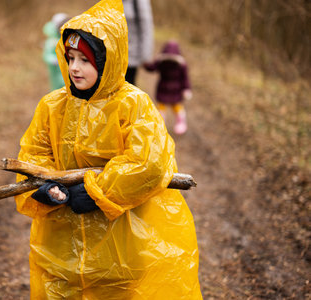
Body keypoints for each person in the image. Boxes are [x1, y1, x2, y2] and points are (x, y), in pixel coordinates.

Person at [15, 0, 202, 298]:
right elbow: (33, 154)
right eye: (70, 57)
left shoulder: (133, 104)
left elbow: (149, 163)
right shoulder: (52, 105)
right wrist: (42, 188)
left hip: (123, 245)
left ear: (107, 61)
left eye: (85, 60)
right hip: (61, 246)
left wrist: (97, 191)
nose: (74, 67)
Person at [144, 40, 192, 135]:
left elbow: (185, 78)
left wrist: (186, 89)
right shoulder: (161, 62)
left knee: (177, 108)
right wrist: (145, 63)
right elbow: (152, 68)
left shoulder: (181, 65)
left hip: (174, 91)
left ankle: (180, 123)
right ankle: (160, 125)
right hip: (164, 89)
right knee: (161, 108)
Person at [122, 0, 154, 85]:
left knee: (126, 90)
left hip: (130, 56)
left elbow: (146, 25)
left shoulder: (138, 2)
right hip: (111, 54)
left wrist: (145, 56)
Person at [43, 13, 70, 91]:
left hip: (67, 68)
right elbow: (47, 55)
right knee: (58, 87)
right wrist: (54, 60)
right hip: (56, 69)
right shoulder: (52, 41)